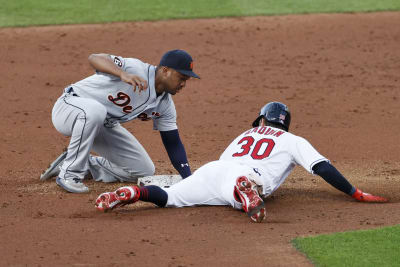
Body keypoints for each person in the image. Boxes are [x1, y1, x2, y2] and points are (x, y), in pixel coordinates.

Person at [95, 101, 388, 223]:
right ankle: (244, 191)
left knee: (171, 198)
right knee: (244, 193)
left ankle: (136, 194)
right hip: (249, 175)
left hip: (213, 169)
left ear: (262, 119)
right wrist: (355, 193)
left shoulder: (246, 132)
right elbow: (322, 167)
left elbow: (226, 161)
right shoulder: (292, 140)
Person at [40, 49, 200, 193]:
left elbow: (173, 143)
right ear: (165, 71)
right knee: (96, 111)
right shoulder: (135, 68)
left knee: (143, 170)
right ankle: (69, 174)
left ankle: (81, 163)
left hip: (100, 124)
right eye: (181, 77)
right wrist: (121, 73)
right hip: (69, 107)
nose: (183, 84)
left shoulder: (165, 105)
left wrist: (188, 178)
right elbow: (95, 57)